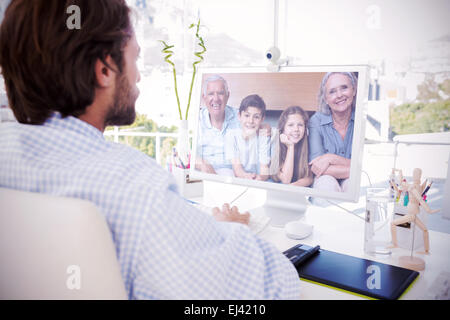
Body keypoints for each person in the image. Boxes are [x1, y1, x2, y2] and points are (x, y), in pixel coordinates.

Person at [0, 0, 301, 299]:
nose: (139, 77)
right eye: (135, 59)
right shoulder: (139, 192)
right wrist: (227, 232)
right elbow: (276, 287)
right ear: (104, 70)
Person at [308, 72, 358, 194]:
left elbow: (366, 166)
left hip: (354, 178)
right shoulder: (316, 121)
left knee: (353, 184)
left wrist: (331, 158)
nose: (339, 95)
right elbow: (316, 167)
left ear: (354, 90)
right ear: (326, 98)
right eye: (332, 92)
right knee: (326, 183)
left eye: (344, 88)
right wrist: (355, 168)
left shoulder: (362, 119)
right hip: (326, 178)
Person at [195, 75, 240, 176]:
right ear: (204, 97)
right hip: (205, 174)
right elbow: (184, 152)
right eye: (211, 94)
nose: (216, 99)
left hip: (232, 176)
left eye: (220, 93)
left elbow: (257, 126)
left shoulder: (240, 117)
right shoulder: (196, 120)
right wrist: (202, 165)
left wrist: (265, 127)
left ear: (228, 96)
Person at [225, 94, 270, 181]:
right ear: (239, 116)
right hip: (241, 177)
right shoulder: (231, 136)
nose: (251, 121)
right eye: (247, 115)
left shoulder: (263, 136)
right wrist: (247, 176)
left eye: (256, 117)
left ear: (262, 119)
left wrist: (260, 178)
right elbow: (237, 169)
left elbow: (264, 169)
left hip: (258, 179)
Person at [270, 106, 313, 187]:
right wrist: (290, 147)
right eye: (290, 125)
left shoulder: (307, 145)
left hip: (293, 189)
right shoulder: (275, 146)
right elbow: (286, 180)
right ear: (282, 129)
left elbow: (309, 178)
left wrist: (294, 186)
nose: (296, 129)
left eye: (300, 125)